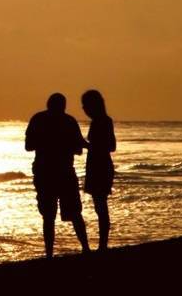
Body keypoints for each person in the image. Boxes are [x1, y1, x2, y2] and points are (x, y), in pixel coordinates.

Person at [25, 93, 90, 258]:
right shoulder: (69, 121)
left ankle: (49, 255)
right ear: (63, 106)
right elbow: (78, 149)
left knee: (49, 216)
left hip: (45, 173)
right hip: (64, 172)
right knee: (74, 213)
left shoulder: (38, 119)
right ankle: (86, 248)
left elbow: (28, 146)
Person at [82, 89, 116, 251]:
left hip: (100, 166)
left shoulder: (102, 121)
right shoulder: (101, 120)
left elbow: (111, 146)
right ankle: (103, 244)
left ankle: (103, 245)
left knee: (101, 206)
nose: (84, 109)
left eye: (85, 105)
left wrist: (88, 145)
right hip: (97, 165)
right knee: (99, 205)